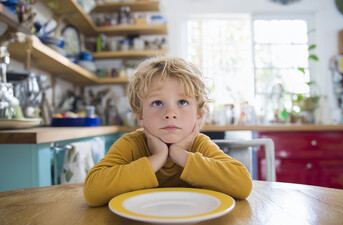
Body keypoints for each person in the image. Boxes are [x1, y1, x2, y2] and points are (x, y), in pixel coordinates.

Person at [83, 56, 252, 207]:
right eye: (157, 103)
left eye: (182, 102)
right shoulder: (131, 144)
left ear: (199, 116)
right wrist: (157, 158)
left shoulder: (200, 145)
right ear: (140, 116)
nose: (170, 113)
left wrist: (179, 154)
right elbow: (92, 191)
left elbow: (243, 184)